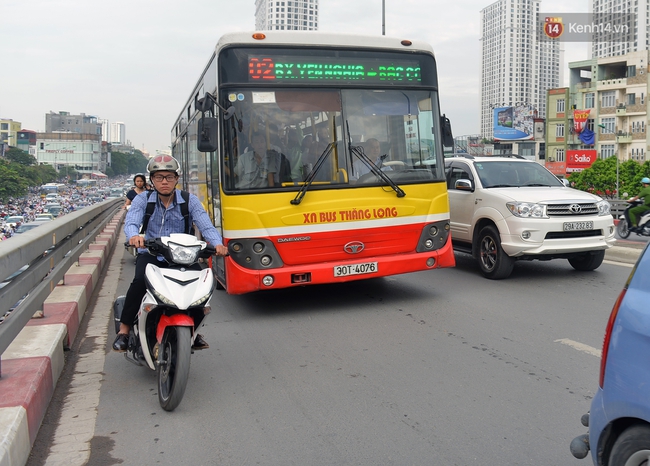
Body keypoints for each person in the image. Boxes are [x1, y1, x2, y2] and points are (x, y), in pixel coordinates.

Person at [112, 155, 228, 352]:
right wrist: (134, 236)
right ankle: (123, 331)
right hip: (151, 254)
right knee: (140, 281)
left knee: (202, 287)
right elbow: (131, 221)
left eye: (168, 177)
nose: (164, 181)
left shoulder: (189, 201)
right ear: (152, 180)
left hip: (182, 255)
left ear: (176, 179)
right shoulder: (143, 199)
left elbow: (206, 225)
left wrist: (217, 244)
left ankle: (192, 329)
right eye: (158, 177)